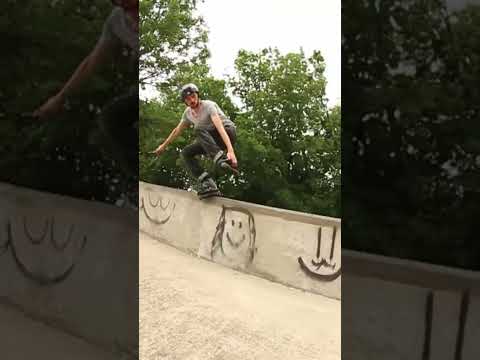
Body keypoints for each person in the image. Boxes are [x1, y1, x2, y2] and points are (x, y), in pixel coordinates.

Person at [33, 0, 139, 194]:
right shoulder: (116, 22)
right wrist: (59, 98)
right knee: (112, 118)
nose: (134, 19)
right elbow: (91, 64)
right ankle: (139, 180)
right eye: (127, 11)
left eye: (136, 9)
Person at [153, 83, 238, 196]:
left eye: (193, 96)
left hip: (228, 131)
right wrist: (163, 146)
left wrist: (230, 150)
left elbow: (220, 127)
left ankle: (219, 158)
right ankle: (208, 183)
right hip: (212, 140)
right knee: (186, 153)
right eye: (188, 99)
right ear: (185, 102)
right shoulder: (187, 114)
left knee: (198, 128)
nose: (192, 100)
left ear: (198, 95)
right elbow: (177, 130)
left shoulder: (208, 106)